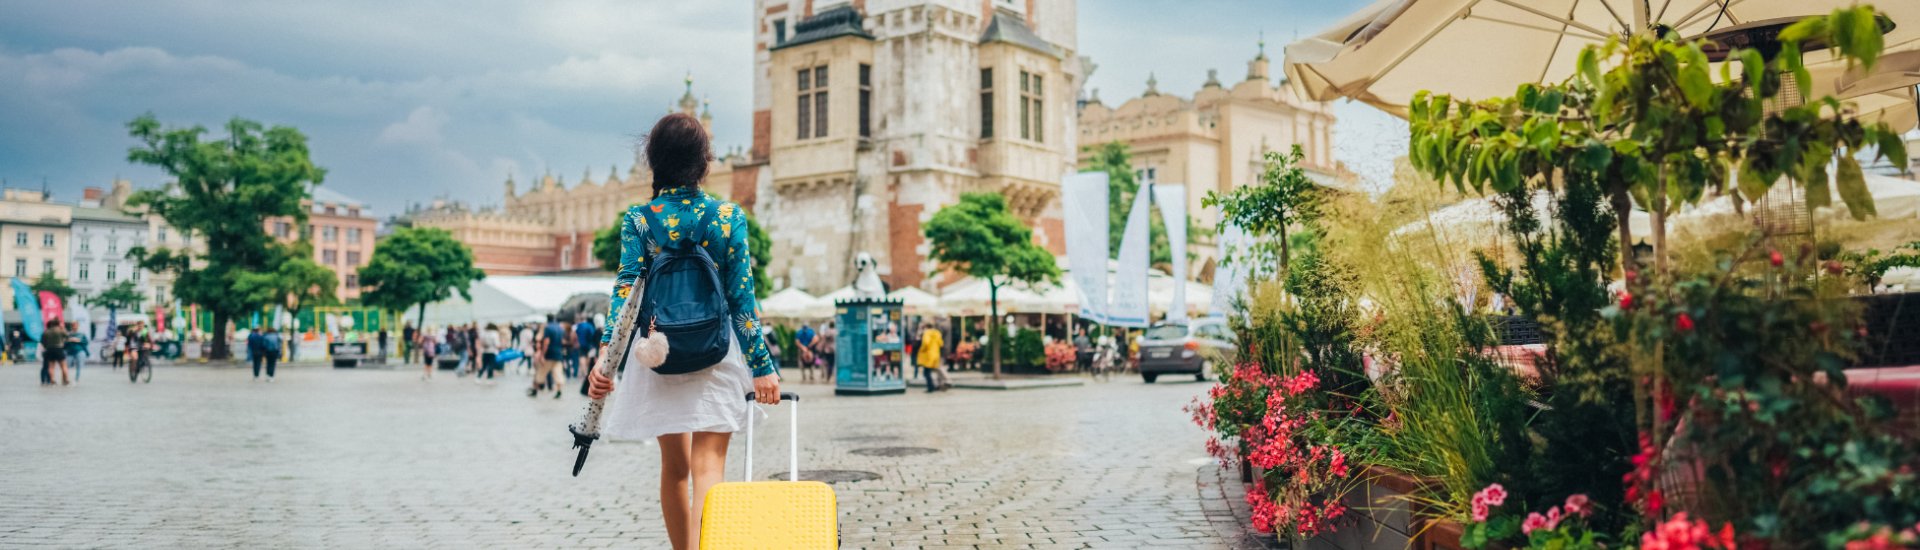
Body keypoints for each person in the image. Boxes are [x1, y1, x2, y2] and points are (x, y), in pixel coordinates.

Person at [585, 113, 780, 550]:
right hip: (715, 352)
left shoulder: (639, 218)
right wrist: (763, 368)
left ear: (655, 161)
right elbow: (742, 303)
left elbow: (624, 295)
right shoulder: (727, 216)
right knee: (709, 465)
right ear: (704, 162)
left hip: (658, 352)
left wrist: (605, 361)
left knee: (673, 468)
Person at [530, 314, 565, 398]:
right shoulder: (560, 328)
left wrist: (542, 354)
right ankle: (559, 391)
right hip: (558, 353)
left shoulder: (548, 328)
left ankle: (535, 390)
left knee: (541, 373)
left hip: (549, 354)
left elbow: (546, 342)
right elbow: (562, 341)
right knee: (558, 373)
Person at [918, 321, 947, 392]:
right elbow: (941, 344)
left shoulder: (927, 333)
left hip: (928, 355)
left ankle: (930, 387)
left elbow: (926, 343)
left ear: (926, 327)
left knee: (926, 372)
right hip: (936, 354)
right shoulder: (937, 333)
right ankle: (940, 383)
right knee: (935, 370)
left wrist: (921, 350)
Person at [574, 318, 600, 396]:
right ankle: (585, 373)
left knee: (582, 360)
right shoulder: (591, 327)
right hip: (590, 347)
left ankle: (584, 372)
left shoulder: (579, 326)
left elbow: (575, 334)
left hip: (581, 346)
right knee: (589, 365)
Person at [43, 320, 70, 386]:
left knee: (51, 366)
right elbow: (67, 336)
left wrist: (47, 346)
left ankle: (52, 380)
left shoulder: (46, 332)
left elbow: (44, 342)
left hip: (49, 349)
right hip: (59, 349)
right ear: (58, 324)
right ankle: (66, 380)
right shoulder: (60, 330)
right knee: (63, 366)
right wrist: (63, 329)